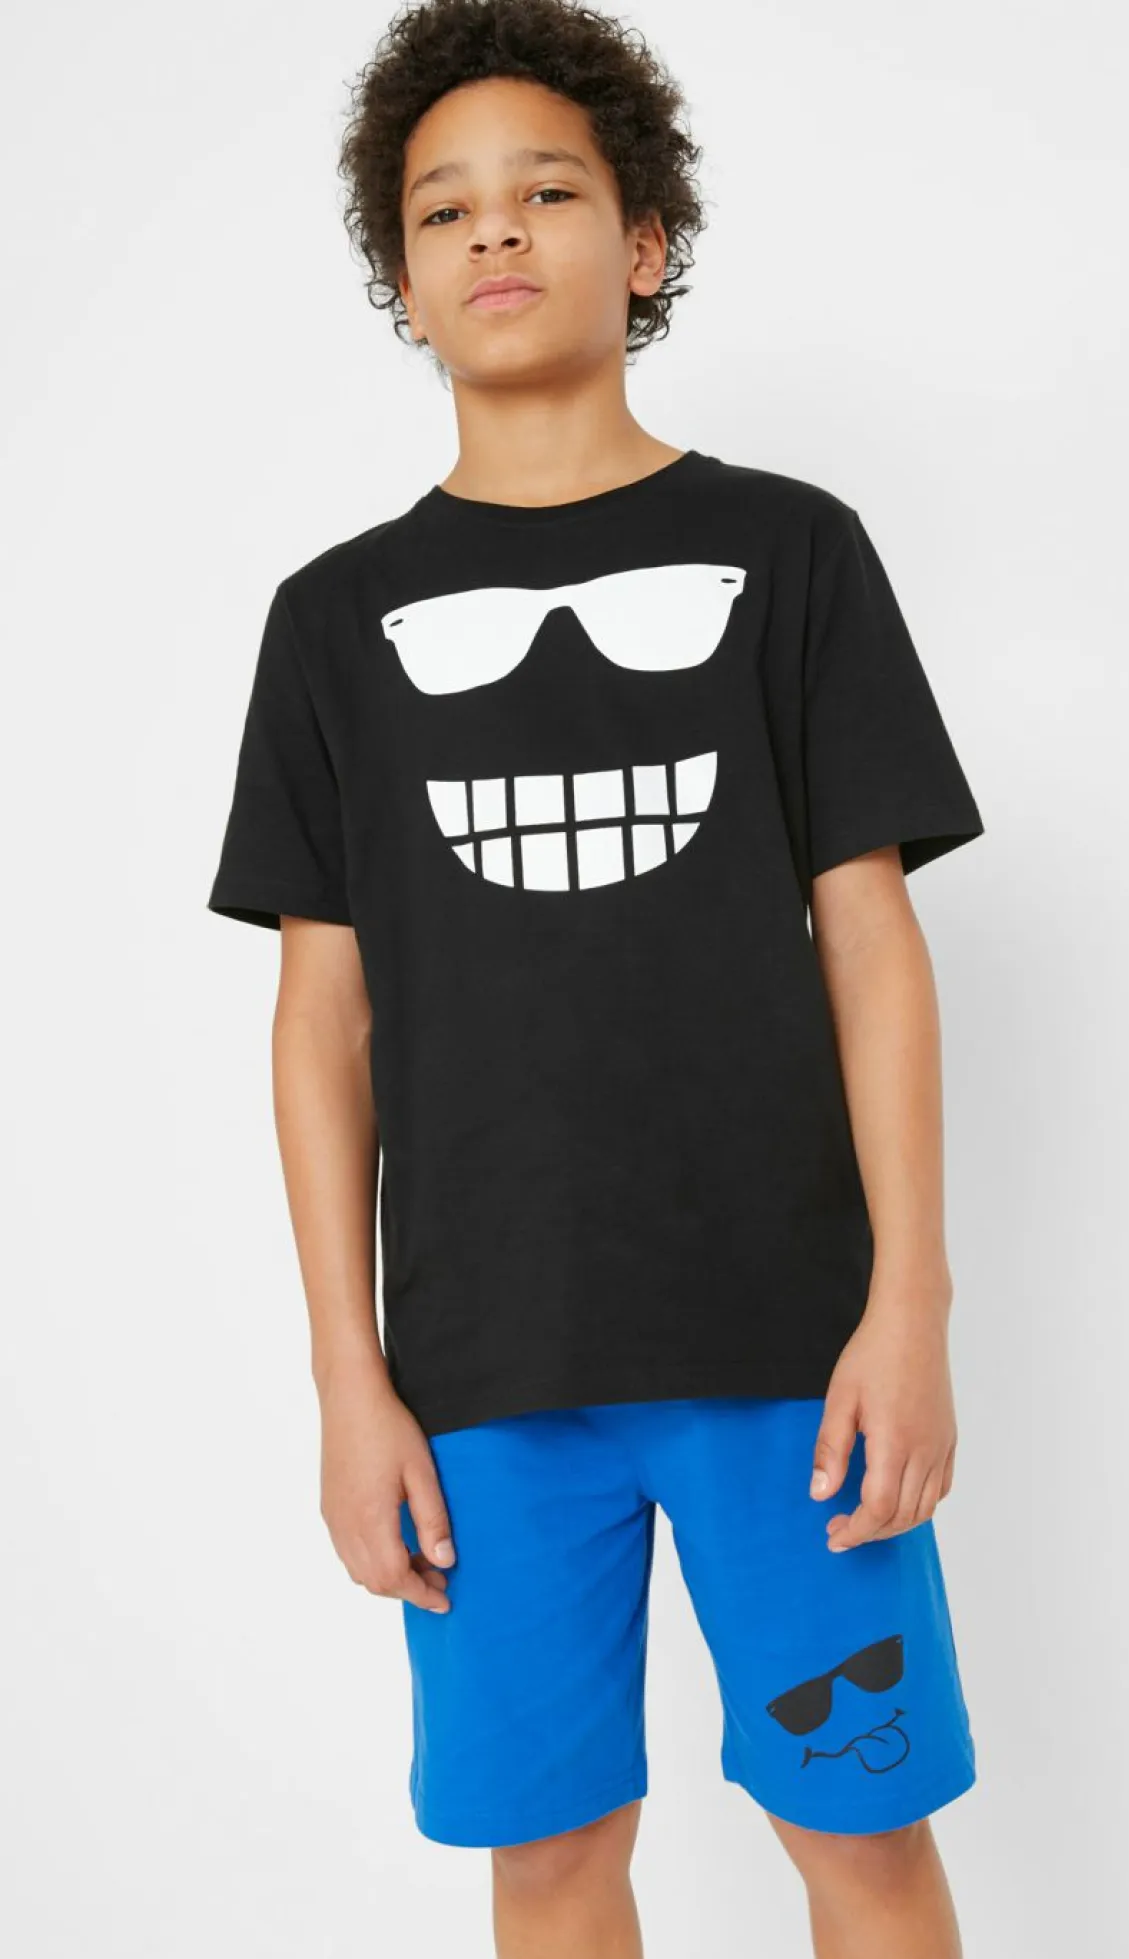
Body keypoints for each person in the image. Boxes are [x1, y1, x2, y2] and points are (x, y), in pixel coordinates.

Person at [207, 2, 985, 1953]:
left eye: (546, 190)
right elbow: (321, 1023)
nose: (495, 228)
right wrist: (349, 1381)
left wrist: (908, 1302)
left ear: (642, 241)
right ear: (402, 279)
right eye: (442, 206)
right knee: (549, 1861)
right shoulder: (334, 625)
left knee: (860, 1837)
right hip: (482, 1377)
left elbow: (873, 947)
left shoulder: (790, 555)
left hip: (789, 1356)